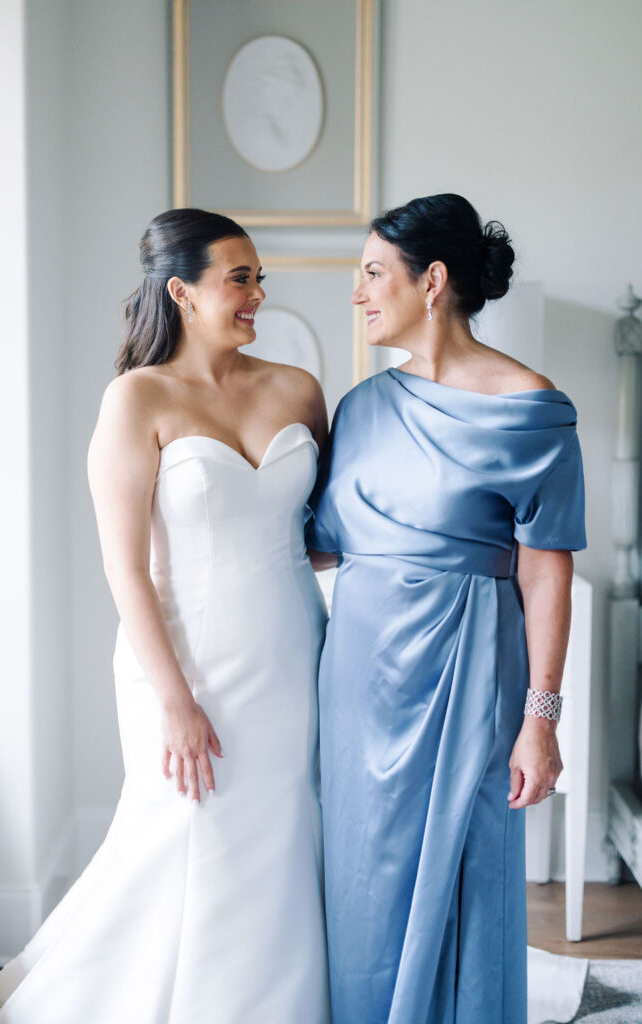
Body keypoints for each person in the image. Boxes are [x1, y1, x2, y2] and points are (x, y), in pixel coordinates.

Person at [0, 209, 331, 1023]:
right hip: (181, 661)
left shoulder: (297, 389)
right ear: (181, 290)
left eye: (258, 279)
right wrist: (175, 701)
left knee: (283, 830)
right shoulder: (135, 399)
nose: (255, 295)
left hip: (292, 652)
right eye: (237, 278)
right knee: (182, 831)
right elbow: (124, 567)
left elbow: (325, 532)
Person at [307, 194, 586, 1024]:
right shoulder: (358, 408)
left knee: (465, 876)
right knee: (360, 878)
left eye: (369, 274)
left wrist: (540, 718)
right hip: (355, 679)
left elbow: (545, 576)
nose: (356, 294)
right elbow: (322, 544)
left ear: (429, 281)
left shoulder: (531, 410)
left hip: (467, 673)